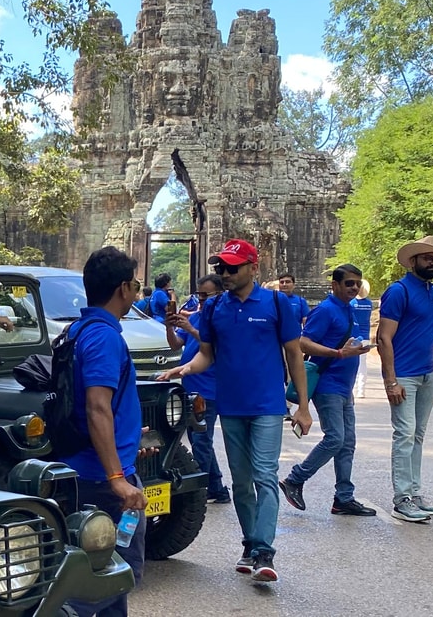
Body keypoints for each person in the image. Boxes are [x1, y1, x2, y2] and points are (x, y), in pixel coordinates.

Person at [158, 239, 309, 583]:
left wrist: (303, 404)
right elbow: (205, 355)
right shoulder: (214, 309)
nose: (225, 273)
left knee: (265, 476)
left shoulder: (276, 303)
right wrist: (180, 370)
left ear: (253, 268)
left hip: (268, 405)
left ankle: (264, 550)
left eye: (232, 267)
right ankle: (250, 544)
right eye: (221, 268)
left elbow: (294, 354)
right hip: (231, 406)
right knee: (241, 482)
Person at [59, 246, 145, 617]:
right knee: (98, 583)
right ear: (124, 288)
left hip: (94, 469)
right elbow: (97, 407)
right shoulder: (104, 337)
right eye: (136, 285)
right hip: (100, 479)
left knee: (112, 579)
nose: (137, 292)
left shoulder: (77, 330)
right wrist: (117, 477)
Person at [278, 264, 377, 517]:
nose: (354, 287)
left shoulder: (348, 309)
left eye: (357, 283)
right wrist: (337, 353)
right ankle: (295, 479)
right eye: (349, 284)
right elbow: (302, 342)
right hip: (328, 384)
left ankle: (344, 498)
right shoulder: (326, 309)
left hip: (344, 386)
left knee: (347, 443)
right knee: (335, 438)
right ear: (335, 285)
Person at [377, 235, 433, 522]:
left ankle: (416, 494)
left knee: (418, 435)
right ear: (413, 261)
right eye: (428, 257)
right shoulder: (399, 291)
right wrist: (390, 381)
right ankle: (402, 499)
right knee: (404, 435)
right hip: (404, 376)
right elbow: (383, 337)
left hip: (427, 373)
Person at [165, 274, 231, 504]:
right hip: (190, 388)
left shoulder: (221, 319)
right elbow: (175, 343)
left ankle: (202, 489)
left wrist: (191, 329)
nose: (201, 300)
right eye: (199, 295)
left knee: (202, 440)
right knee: (197, 439)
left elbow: (214, 347)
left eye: (206, 295)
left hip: (209, 390)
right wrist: (169, 326)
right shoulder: (196, 317)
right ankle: (216, 487)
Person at [351, 279, 374, 398]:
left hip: (354, 336)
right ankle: (361, 390)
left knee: (352, 363)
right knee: (362, 364)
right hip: (365, 335)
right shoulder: (369, 304)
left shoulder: (352, 303)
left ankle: (352, 387)